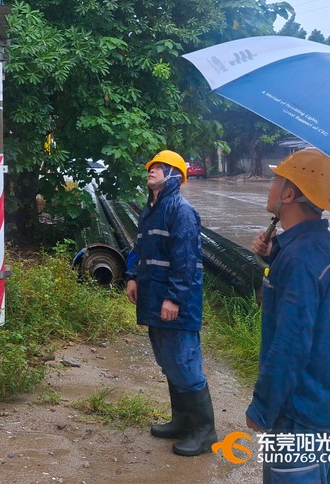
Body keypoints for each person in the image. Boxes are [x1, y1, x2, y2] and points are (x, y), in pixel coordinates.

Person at [245, 148, 330, 484]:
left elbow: (291, 343)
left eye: (275, 181)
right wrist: (275, 253)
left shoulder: (298, 261)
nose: (270, 188)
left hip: (299, 415)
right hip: (327, 407)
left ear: (289, 194)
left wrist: (262, 408)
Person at [125, 149, 218, 457]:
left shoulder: (181, 211)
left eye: (160, 166)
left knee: (184, 363)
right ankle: (182, 421)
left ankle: (204, 432)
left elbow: (186, 260)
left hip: (176, 303)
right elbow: (139, 247)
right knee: (168, 362)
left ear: (174, 175)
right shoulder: (150, 211)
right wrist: (132, 276)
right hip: (153, 299)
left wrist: (173, 298)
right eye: (151, 166)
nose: (151, 169)